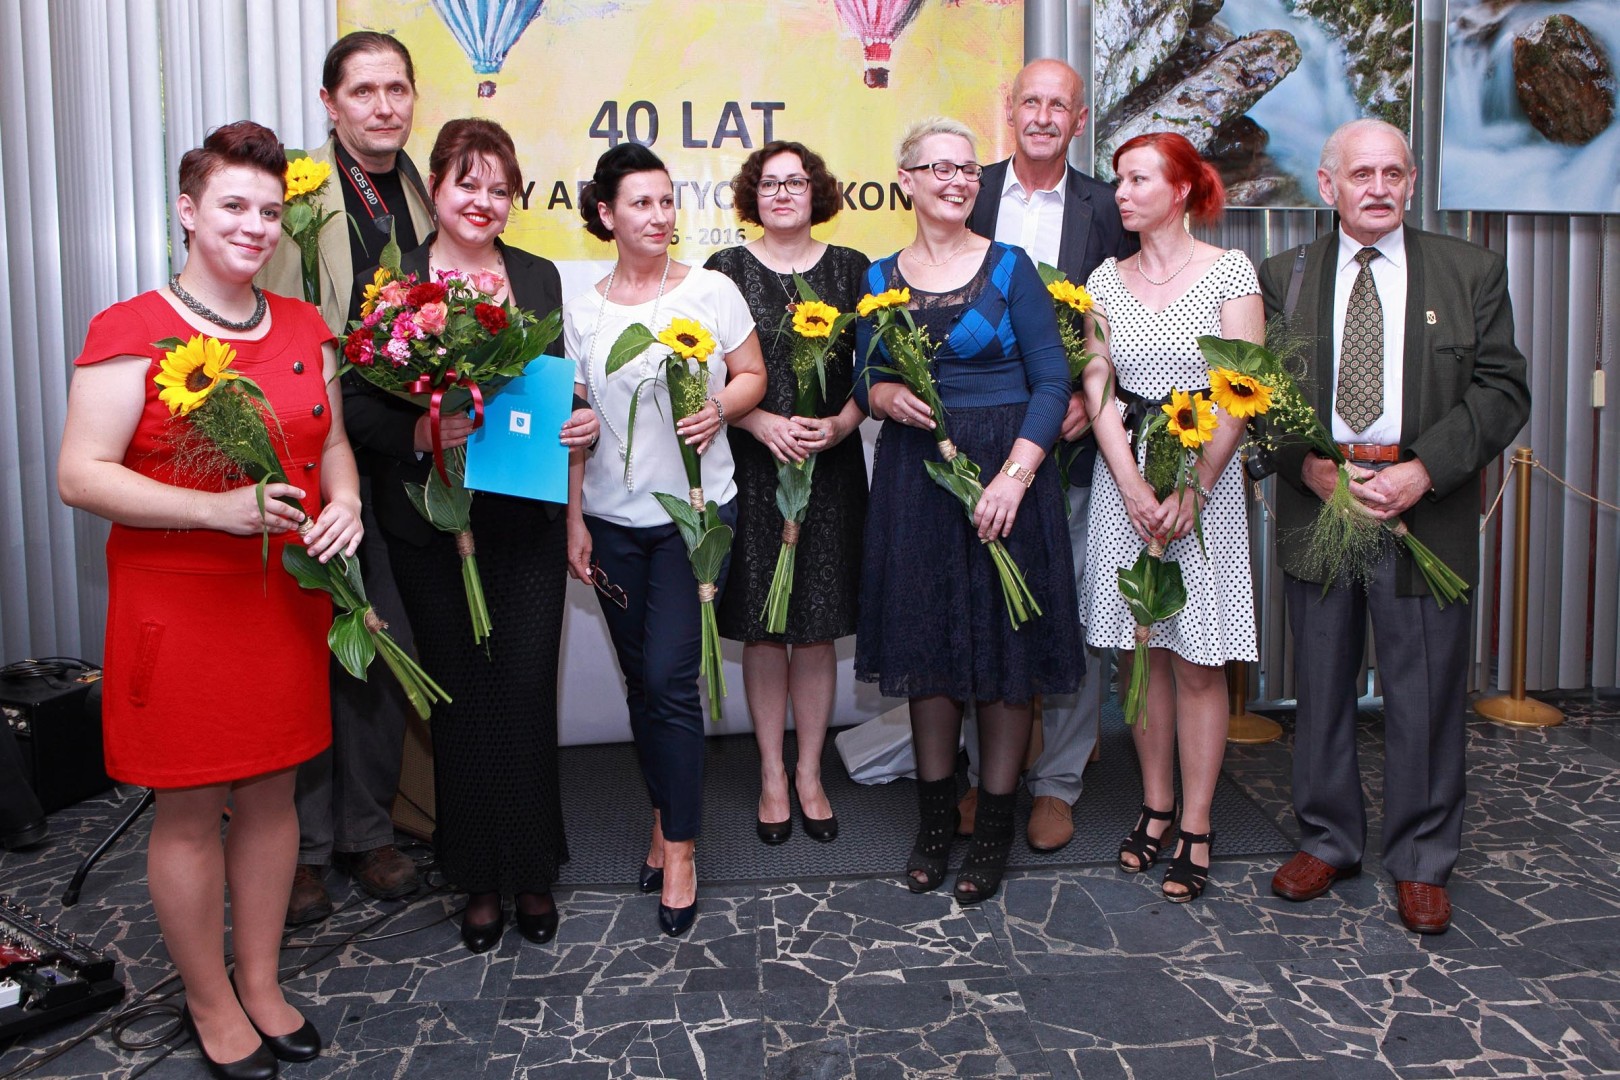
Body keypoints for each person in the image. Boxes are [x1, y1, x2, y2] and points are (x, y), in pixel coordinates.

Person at [58, 120, 355, 1078]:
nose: (254, 226)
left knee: (273, 796)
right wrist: (214, 510)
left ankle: (260, 980)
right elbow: (81, 474)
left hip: (284, 600)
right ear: (187, 211)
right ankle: (207, 996)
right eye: (233, 205)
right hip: (179, 606)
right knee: (190, 812)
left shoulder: (303, 327)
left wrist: (345, 502)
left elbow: (332, 442)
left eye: (269, 210)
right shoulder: (131, 328)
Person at [1262, 119, 1529, 934]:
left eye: (1393, 173)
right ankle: (1328, 840)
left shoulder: (1471, 271)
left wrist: (1423, 471)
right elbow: (1258, 394)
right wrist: (1308, 468)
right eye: (1362, 174)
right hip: (1325, 505)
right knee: (1322, 684)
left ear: (1412, 183)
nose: (1378, 188)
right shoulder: (1284, 276)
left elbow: (1502, 390)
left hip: (1425, 511)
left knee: (1426, 693)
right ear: (1328, 185)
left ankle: (1421, 860)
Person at [343, 119, 596, 954]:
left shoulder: (537, 275)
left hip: (524, 523)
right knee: (459, 703)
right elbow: (358, 407)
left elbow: (553, 388)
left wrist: (580, 427)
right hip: (430, 522)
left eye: (499, 188)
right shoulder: (392, 282)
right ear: (436, 189)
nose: (483, 201)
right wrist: (421, 435)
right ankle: (476, 878)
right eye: (467, 183)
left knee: (524, 696)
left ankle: (532, 869)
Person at [855, 118, 1080, 906]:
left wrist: (1016, 476)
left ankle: (992, 832)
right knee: (929, 646)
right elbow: (865, 377)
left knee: (1006, 657)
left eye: (967, 170)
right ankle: (932, 824)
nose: (957, 181)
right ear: (906, 179)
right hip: (919, 478)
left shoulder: (1012, 267)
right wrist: (885, 394)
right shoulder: (880, 276)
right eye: (940, 168)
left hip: (1007, 474)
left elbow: (1053, 382)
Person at [565, 143, 767, 936]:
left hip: (696, 518)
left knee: (670, 681)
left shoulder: (711, 290)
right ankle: (663, 814)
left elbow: (751, 376)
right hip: (612, 525)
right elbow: (577, 425)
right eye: (640, 203)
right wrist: (575, 518)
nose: (658, 217)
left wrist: (720, 409)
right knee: (641, 688)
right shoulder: (584, 311)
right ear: (606, 214)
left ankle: (680, 848)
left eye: (665, 201)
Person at [258, 30, 436, 927]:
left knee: (377, 641)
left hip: (396, 450)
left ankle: (367, 832)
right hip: (312, 449)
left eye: (396, 88)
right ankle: (300, 848)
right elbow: (265, 328)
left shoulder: (421, 190)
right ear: (330, 104)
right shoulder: (294, 195)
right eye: (363, 91)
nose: (383, 106)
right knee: (306, 650)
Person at [1079, 131, 1263, 903]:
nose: (1121, 193)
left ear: (1182, 188)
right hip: (1127, 484)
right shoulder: (1104, 277)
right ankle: (1154, 806)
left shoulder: (1230, 271)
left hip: (1201, 488)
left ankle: (1196, 821)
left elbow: (1242, 388)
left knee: (1197, 660)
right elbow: (1097, 383)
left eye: (1138, 180)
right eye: (1119, 180)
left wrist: (1196, 489)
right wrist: (1130, 485)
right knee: (1140, 652)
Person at [961, 57, 1139, 853]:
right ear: (1010, 109)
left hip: (1071, 443)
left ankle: (1059, 782)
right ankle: (982, 775)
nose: (1041, 116)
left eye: (1057, 105)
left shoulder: (1108, 209)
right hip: (979, 443)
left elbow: (1132, 319)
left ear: (1079, 118)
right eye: (1029, 101)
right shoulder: (969, 191)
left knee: (1071, 607)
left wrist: (1090, 400)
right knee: (983, 605)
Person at [705, 141, 869, 846]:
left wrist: (840, 425)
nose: (781, 193)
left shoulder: (853, 268)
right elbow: (705, 376)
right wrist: (759, 421)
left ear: (816, 191)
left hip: (830, 471)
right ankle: (772, 772)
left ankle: (809, 773)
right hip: (752, 465)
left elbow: (874, 373)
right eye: (768, 183)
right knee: (763, 629)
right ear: (752, 195)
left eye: (795, 182)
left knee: (817, 628)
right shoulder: (724, 270)